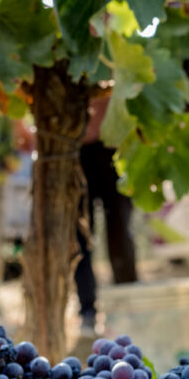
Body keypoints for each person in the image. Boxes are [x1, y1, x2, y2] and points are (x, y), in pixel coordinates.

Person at [74, 95, 138, 336]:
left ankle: (127, 305)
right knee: (79, 235)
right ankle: (87, 311)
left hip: (114, 145)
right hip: (75, 148)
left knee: (120, 228)